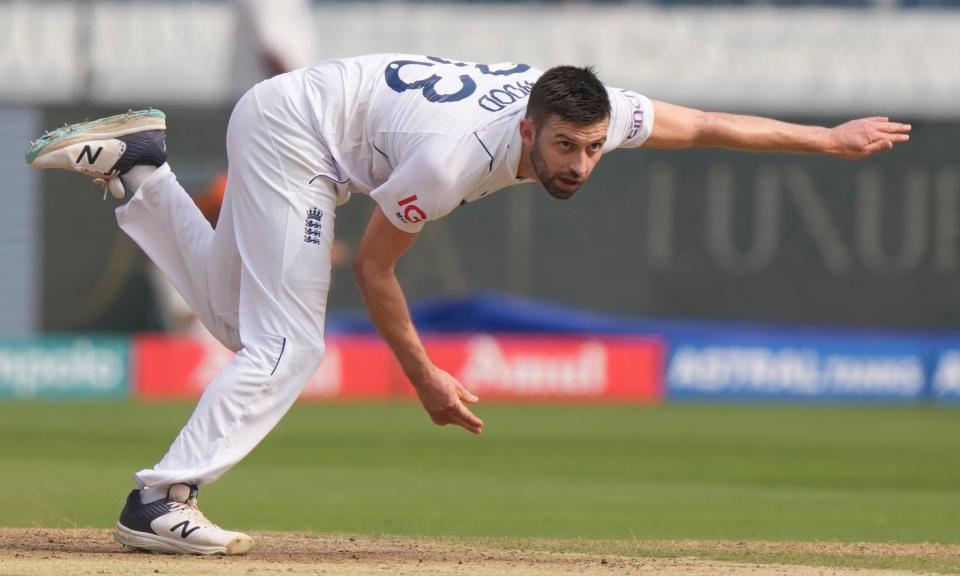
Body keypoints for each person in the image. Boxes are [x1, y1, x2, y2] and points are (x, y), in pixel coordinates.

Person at [25, 53, 911, 556]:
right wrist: (427, 379)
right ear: (527, 128)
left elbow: (706, 125)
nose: (579, 165)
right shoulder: (456, 163)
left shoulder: (584, 114)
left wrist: (825, 141)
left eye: (596, 148)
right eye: (565, 147)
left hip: (308, 123)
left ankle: (140, 169)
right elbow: (376, 272)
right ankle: (160, 499)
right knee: (290, 348)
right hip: (300, 137)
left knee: (242, 330)